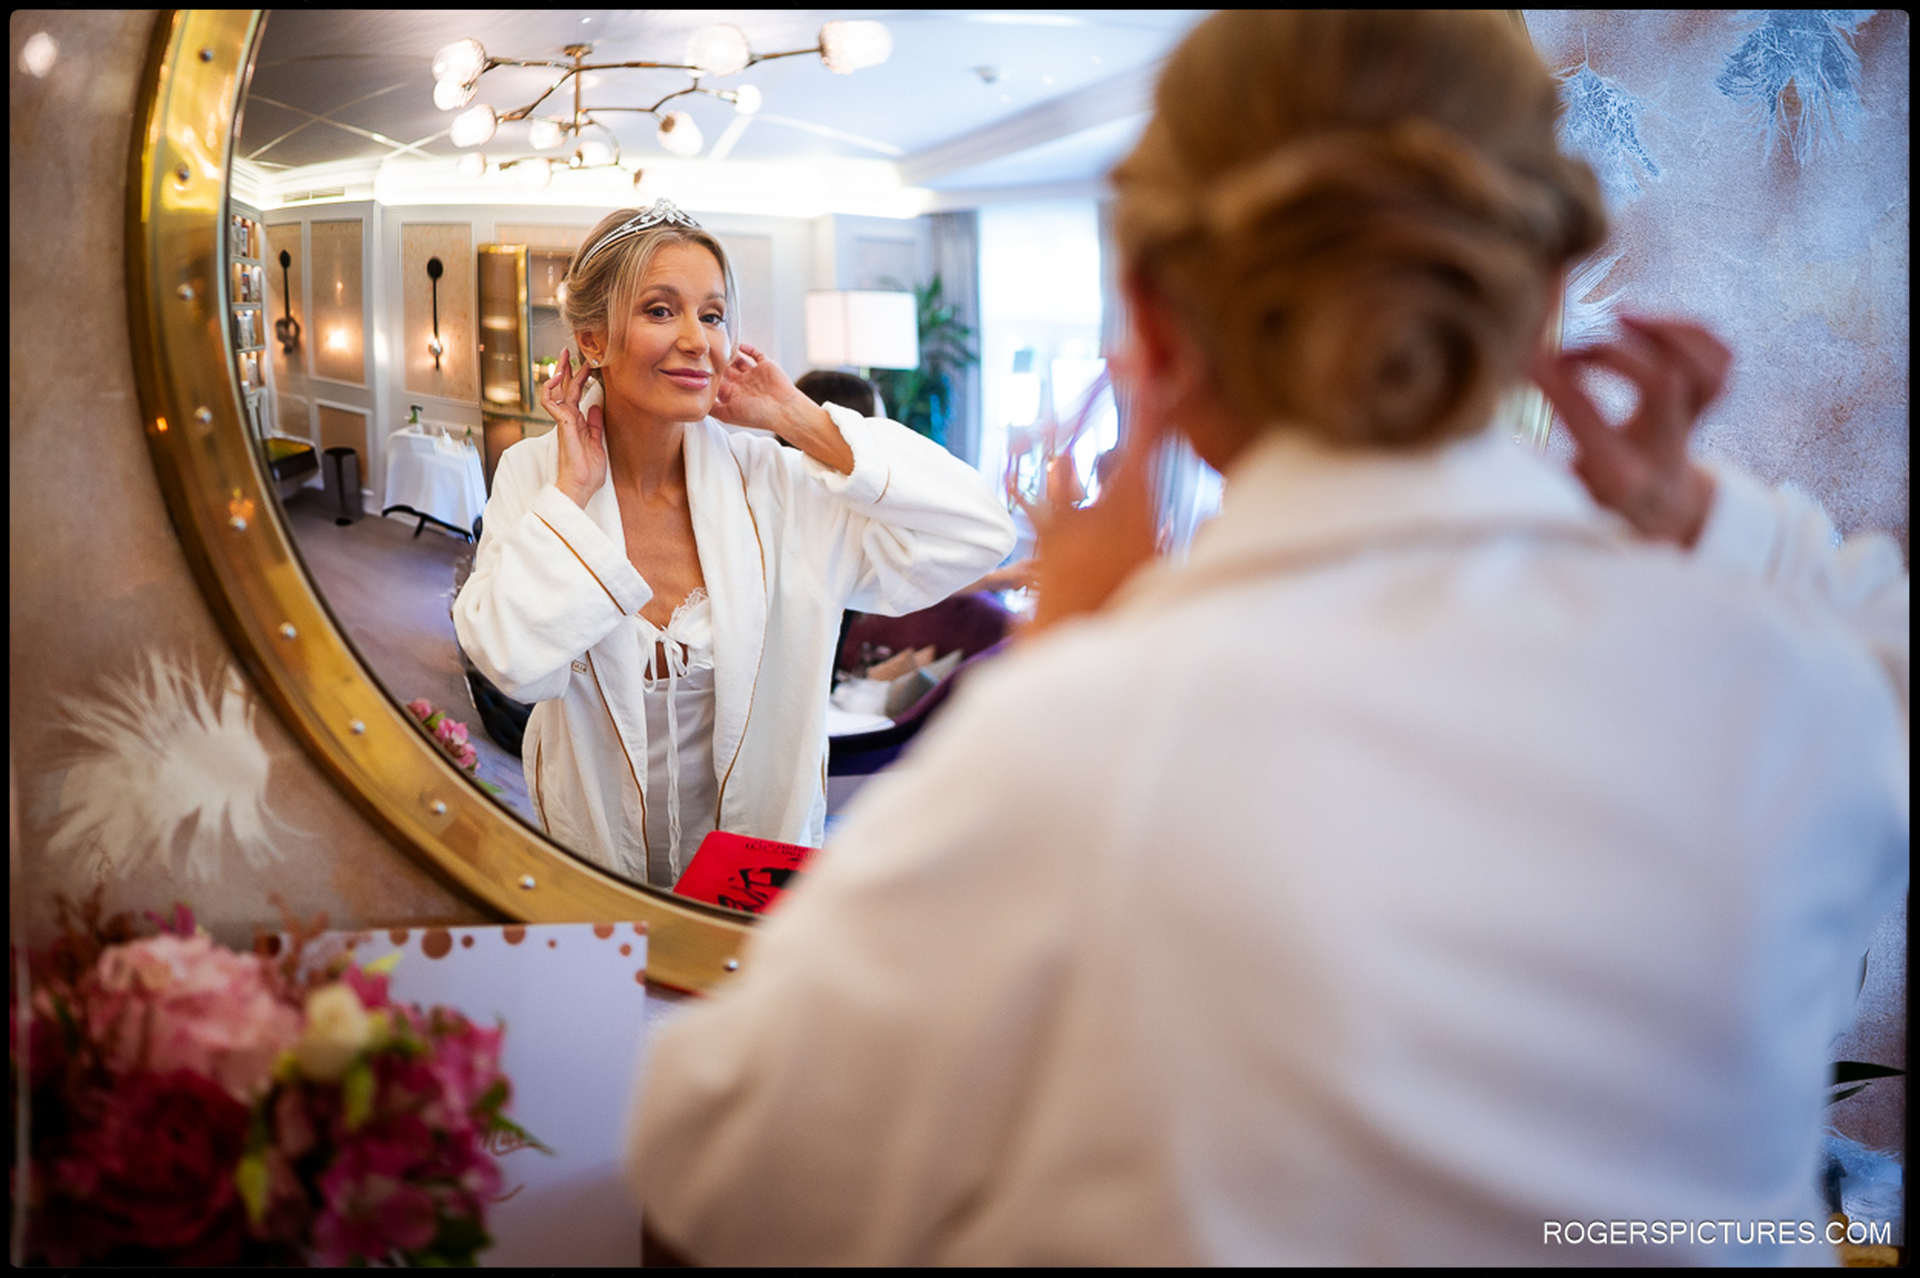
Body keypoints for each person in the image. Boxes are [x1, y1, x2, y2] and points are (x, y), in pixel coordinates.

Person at [628, 12, 1907, 1265]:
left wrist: (1071, 647)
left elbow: (724, 1171)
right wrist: (1709, 522)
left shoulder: (1083, 739)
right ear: (1547, 288)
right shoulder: (1789, 691)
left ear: (1155, 324)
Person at [454, 201, 1015, 887]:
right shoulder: (538, 476)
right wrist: (574, 489)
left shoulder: (780, 490)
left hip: (751, 870)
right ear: (593, 341)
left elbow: (981, 531)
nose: (698, 340)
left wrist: (797, 419)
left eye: (713, 315)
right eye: (661, 311)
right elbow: (513, 662)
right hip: (593, 857)